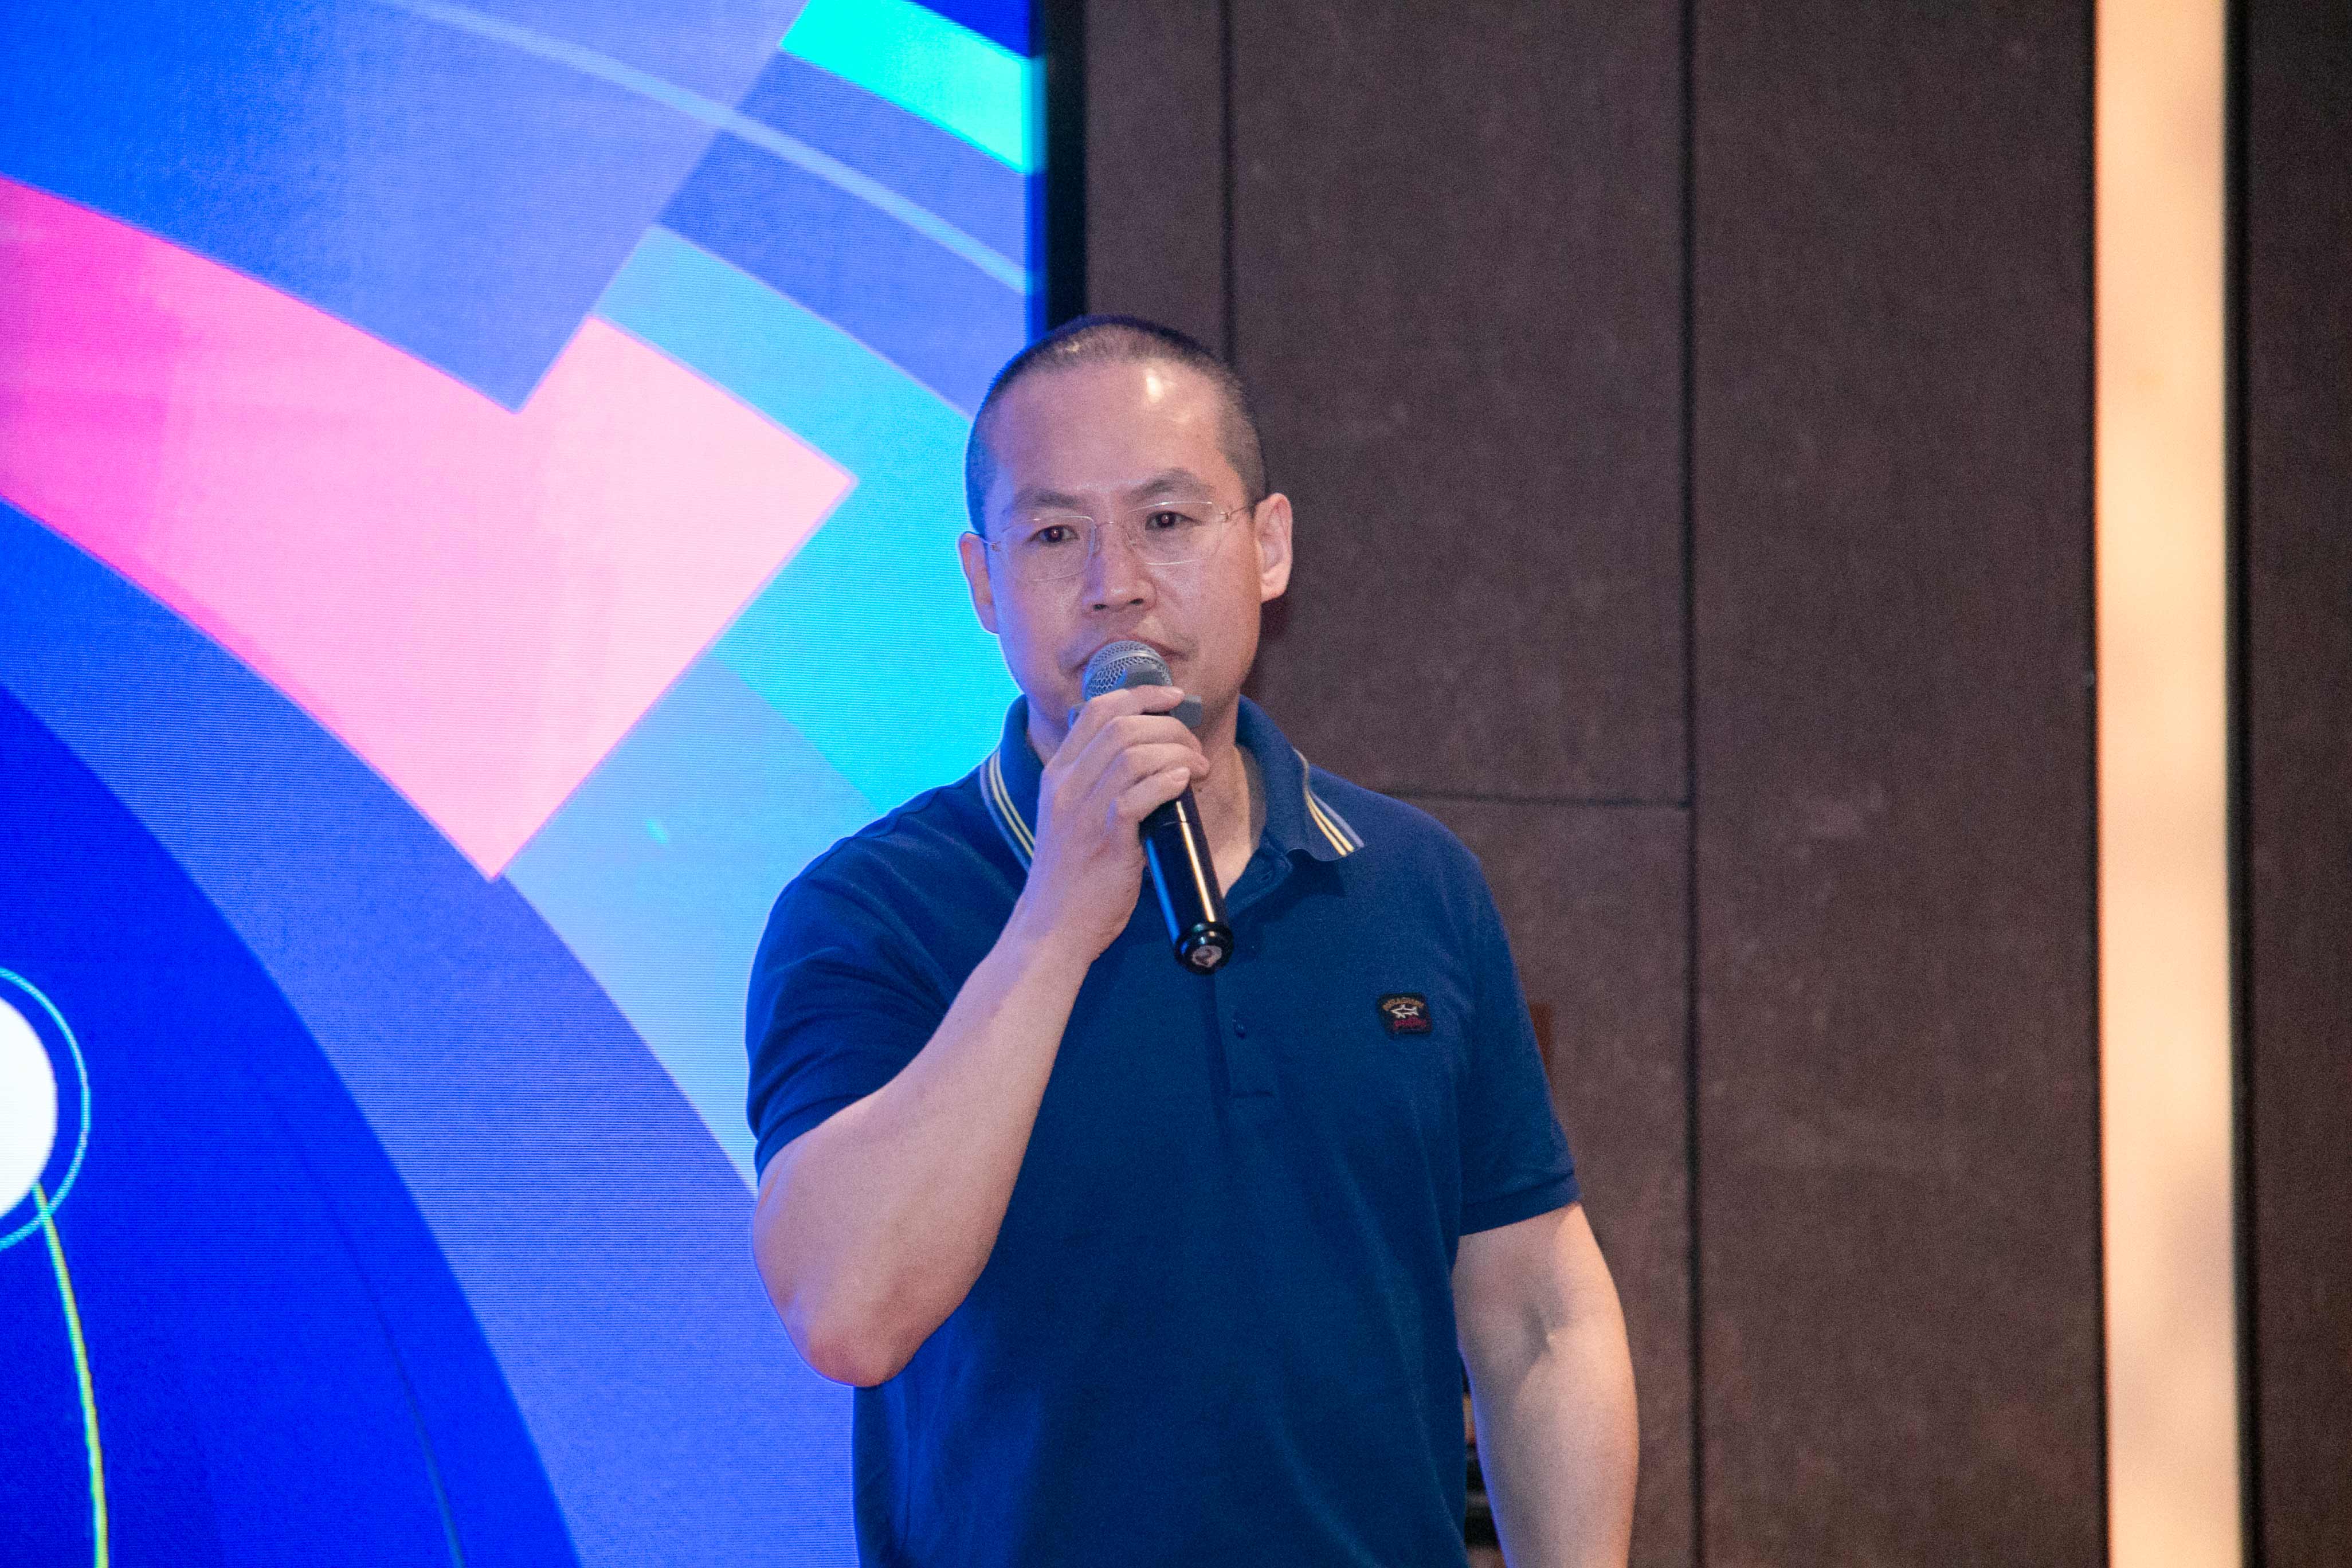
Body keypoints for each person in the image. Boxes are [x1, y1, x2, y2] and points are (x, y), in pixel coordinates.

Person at [746, 316, 1638, 1566]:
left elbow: (1538, 1315)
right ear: (985, 584)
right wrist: (1055, 918)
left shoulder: (1415, 884)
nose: (1116, 582)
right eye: (1056, 535)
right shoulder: (872, 910)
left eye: (1167, 520)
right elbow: (845, 1312)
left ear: (1268, 546)